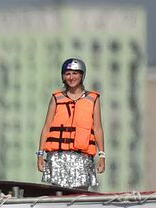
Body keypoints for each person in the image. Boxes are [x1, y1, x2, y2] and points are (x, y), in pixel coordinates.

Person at [37, 58, 105, 192]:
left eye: (75, 73)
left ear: (82, 75)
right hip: (58, 157)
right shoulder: (56, 98)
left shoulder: (93, 99)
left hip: (82, 158)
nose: (71, 77)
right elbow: (46, 127)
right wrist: (40, 155)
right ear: (63, 77)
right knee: (58, 196)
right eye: (67, 74)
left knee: (80, 196)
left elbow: (97, 128)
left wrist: (102, 155)